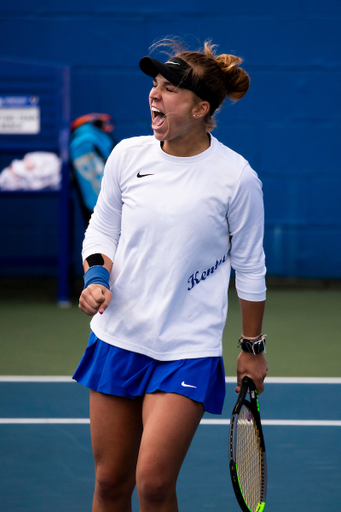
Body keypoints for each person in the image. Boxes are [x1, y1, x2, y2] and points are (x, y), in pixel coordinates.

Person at [74, 38, 268, 512]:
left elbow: (250, 267)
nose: (155, 96)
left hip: (187, 350)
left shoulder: (236, 177)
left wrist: (252, 349)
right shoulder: (127, 155)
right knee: (110, 483)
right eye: (155, 86)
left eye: (169, 91)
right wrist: (96, 275)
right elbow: (103, 227)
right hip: (119, 337)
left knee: (155, 484)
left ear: (202, 108)